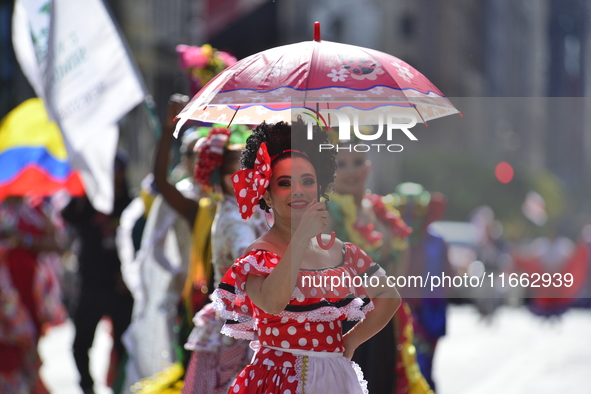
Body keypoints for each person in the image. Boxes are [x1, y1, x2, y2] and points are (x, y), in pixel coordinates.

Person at [213, 120, 401, 393]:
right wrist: (301, 237)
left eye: (308, 181)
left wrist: (349, 341)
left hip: (335, 378)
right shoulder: (259, 255)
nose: (298, 190)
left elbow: (390, 298)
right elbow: (273, 303)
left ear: (320, 187)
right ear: (266, 194)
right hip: (278, 380)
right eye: (285, 182)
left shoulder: (344, 252)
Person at [326, 144, 433, 394]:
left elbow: (400, 266)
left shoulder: (381, 212)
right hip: (346, 322)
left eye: (358, 162)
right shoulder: (327, 212)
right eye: (341, 164)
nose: (351, 171)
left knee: (384, 383)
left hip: (384, 321)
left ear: (369, 166)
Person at [182, 126, 267, 394]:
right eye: (242, 170)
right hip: (239, 325)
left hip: (249, 318)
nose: (252, 176)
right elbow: (252, 259)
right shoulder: (233, 219)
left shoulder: (250, 211)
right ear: (227, 179)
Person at [61, 153, 134, 394]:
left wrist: (130, 277)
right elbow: (67, 215)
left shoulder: (130, 206)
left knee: (127, 344)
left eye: (117, 170)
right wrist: (83, 184)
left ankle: (125, 386)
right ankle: (87, 387)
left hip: (120, 288)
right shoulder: (86, 203)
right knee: (80, 345)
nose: (114, 177)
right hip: (90, 285)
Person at [0, 196, 67, 394]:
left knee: (28, 347)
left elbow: (57, 244)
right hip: (5, 295)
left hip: (30, 291)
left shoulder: (37, 210)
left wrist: (24, 240)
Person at [391, 183, 451, 391]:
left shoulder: (437, 241)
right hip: (394, 313)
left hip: (428, 315)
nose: (410, 216)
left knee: (423, 369)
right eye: (405, 210)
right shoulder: (389, 239)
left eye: (415, 210)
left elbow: (449, 277)